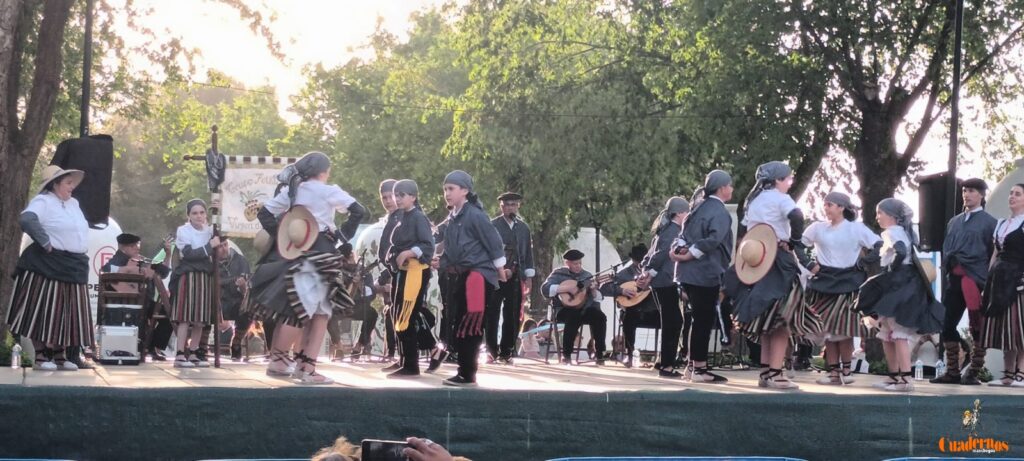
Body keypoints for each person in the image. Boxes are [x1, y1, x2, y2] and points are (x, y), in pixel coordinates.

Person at [250, 151, 367, 384]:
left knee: (299, 309)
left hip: (298, 249)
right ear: (324, 171)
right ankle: (305, 367)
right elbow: (360, 211)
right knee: (319, 312)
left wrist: (284, 234)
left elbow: (264, 213)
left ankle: (282, 362)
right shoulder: (328, 190)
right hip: (322, 250)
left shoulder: (293, 191)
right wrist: (342, 235)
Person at [726, 161, 818, 389]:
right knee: (782, 319)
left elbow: (748, 230)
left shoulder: (754, 200)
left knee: (767, 318)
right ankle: (776, 373)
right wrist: (795, 241)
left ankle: (766, 372)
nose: (790, 182)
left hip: (759, 261)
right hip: (779, 261)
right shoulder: (780, 198)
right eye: (788, 178)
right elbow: (796, 215)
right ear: (778, 180)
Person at [6, 166, 92, 371]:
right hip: (49, 264)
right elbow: (27, 219)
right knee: (43, 309)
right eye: (68, 183)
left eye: (72, 183)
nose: (72, 187)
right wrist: (44, 241)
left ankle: (61, 355)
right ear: (55, 184)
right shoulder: (43, 201)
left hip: (74, 265)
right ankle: (41, 356)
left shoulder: (74, 204)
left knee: (68, 311)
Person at [856, 198, 944, 391]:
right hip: (905, 282)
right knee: (888, 329)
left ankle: (904, 378)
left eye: (881, 213)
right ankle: (894, 375)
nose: (878, 216)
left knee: (897, 330)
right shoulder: (906, 232)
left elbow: (901, 252)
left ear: (893, 217)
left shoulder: (892, 232)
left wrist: (893, 269)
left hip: (900, 283)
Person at [799, 192, 881, 385]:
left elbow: (880, 245)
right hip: (823, 282)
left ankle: (846, 370)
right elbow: (797, 245)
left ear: (842, 207)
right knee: (827, 329)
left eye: (830, 204)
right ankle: (833, 372)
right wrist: (809, 264)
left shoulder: (856, 229)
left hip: (849, 283)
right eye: (825, 204)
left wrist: (864, 263)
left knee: (844, 330)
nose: (826, 207)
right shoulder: (817, 228)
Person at [435, 170, 508, 386]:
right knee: (458, 322)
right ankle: (463, 369)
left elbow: (493, 241)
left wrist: (500, 268)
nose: (447, 193)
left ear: (465, 190)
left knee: (471, 324)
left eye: (451, 189)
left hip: (477, 276)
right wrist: (442, 261)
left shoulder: (475, 215)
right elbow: (452, 248)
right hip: (460, 275)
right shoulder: (453, 217)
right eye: (445, 189)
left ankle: (468, 373)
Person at [931, 178, 997, 385]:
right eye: (965, 191)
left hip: (976, 280)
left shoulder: (990, 222)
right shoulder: (954, 221)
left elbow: (992, 253)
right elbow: (947, 249)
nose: (967, 194)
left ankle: (973, 372)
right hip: (955, 279)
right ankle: (952, 371)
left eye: (972, 191)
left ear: (981, 195)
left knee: (978, 326)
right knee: (947, 323)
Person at [671, 170, 735, 383]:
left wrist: (678, 252)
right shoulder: (719, 211)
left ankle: (692, 366)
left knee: (697, 319)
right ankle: (700, 368)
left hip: (686, 274)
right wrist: (691, 254)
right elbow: (714, 239)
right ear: (722, 188)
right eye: (730, 185)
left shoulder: (696, 208)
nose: (732, 189)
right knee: (703, 321)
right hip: (705, 272)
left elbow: (681, 237)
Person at [383, 179, 437, 377]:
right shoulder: (403, 217)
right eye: (396, 195)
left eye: (401, 195)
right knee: (397, 315)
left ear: (413, 197)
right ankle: (405, 360)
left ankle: (411, 365)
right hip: (402, 273)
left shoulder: (418, 218)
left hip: (415, 272)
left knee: (406, 316)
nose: (397, 199)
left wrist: (408, 253)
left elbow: (427, 246)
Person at [100, 232, 174, 362]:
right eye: (133, 246)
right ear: (124, 248)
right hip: (124, 305)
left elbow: (163, 272)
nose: (137, 248)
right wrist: (132, 271)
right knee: (166, 315)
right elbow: (105, 270)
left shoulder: (140, 260)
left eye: (137, 245)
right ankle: (147, 347)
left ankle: (151, 347)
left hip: (144, 303)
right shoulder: (117, 260)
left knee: (169, 315)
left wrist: (168, 254)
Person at [638, 197, 690, 378]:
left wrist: (645, 272)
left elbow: (650, 254)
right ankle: (667, 366)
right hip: (665, 281)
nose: (688, 215)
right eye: (686, 212)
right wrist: (650, 273)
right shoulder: (673, 231)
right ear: (679, 214)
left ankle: (662, 360)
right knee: (673, 322)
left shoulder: (663, 230)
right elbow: (659, 256)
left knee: (670, 320)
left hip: (661, 282)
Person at [168, 199, 223, 368]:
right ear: (189, 216)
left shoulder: (209, 231)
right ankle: (179, 354)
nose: (198, 216)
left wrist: (218, 211)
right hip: (188, 275)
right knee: (185, 317)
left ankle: (193, 352)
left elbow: (220, 237)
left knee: (200, 318)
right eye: (194, 213)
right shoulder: (183, 231)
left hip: (205, 277)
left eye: (201, 212)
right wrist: (208, 247)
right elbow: (190, 254)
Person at [980, 183, 1024, 387]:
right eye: (1011, 193)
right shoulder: (1001, 224)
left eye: (1018, 194)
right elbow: (995, 255)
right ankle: (1007, 374)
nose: (1012, 197)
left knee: (1020, 329)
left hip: (1019, 280)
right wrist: (988, 282)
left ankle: (1021, 374)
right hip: (1000, 280)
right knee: (1007, 329)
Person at [486, 191, 536, 365]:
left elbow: (527, 254)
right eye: (507, 205)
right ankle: (491, 350)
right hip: (495, 276)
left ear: (518, 206)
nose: (510, 208)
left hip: (515, 276)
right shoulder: (492, 225)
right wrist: (499, 270)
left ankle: (507, 350)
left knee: (513, 314)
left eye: (514, 204)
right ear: (501, 206)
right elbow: (487, 250)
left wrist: (528, 276)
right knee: (491, 312)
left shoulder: (523, 228)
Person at [543, 249, 607, 366]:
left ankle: (600, 353)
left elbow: (597, 298)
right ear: (567, 263)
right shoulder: (558, 274)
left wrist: (593, 290)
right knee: (573, 316)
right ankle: (566, 354)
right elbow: (545, 289)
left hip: (584, 309)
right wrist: (565, 289)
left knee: (600, 317)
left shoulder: (587, 276)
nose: (578, 266)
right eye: (575, 264)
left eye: (579, 263)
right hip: (562, 310)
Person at [600, 244, 658, 368]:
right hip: (633, 312)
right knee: (628, 317)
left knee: (671, 319)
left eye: (642, 261)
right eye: (637, 261)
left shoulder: (654, 272)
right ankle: (629, 355)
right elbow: (604, 288)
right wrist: (622, 291)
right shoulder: (624, 274)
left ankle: (664, 359)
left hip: (654, 311)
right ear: (633, 260)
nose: (640, 264)